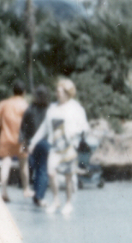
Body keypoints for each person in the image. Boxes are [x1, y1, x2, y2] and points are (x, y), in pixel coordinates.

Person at [30, 77, 89, 217]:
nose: (57, 94)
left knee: (68, 177)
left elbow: (84, 127)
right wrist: (33, 142)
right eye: (56, 91)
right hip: (54, 146)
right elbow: (44, 127)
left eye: (60, 91)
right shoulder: (52, 108)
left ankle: (68, 203)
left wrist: (75, 133)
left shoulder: (76, 108)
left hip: (68, 146)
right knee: (51, 172)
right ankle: (56, 200)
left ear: (68, 93)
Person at [0, 79, 29, 202]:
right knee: (24, 164)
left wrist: (2, 127)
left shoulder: (4, 103)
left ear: (13, 91)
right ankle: (26, 189)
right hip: (23, 140)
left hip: (6, 138)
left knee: (5, 163)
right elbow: (29, 123)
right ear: (24, 92)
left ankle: (4, 191)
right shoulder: (25, 105)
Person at [19, 85, 50, 203]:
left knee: (35, 168)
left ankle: (36, 192)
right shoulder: (50, 109)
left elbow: (23, 127)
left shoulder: (30, 108)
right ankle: (39, 195)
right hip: (45, 142)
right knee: (43, 169)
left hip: (32, 143)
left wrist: (23, 142)